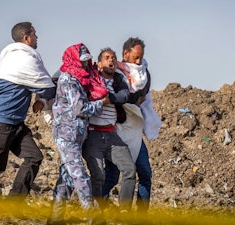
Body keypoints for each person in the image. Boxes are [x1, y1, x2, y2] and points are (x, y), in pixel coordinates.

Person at [0, 22, 56, 223]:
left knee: (34, 157)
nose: (37, 38)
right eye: (35, 34)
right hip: (0, 122)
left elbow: (42, 87)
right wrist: (44, 96)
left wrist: (41, 99)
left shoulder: (17, 57)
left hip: (15, 123)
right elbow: (47, 88)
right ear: (26, 38)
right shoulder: (22, 59)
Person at [48, 43, 109, 225]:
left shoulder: (79, 79)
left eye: (86, 61)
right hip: (67, 135)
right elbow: (80, 108)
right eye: (81, 62)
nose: (84, 65)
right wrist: (102, 104)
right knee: (80, 175)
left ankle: (55, 218)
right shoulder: (68, 80)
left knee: (66, 178)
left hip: (76, 135)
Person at [102, 37, 161, 213]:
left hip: (134, 131)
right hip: (117, 130)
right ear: (125, 54)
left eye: (140, 58)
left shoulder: (143, 75)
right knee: (112, 176)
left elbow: (139, 95)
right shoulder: (116, 74)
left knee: (145, 173)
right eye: (135, 57)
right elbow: (124, 97)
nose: (138, 61)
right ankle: (97, 208)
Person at [82, 48, 136, 211]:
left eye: (113, 58)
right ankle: (95, 212)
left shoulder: (118, 80)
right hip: (93, 135)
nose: (111, 60)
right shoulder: (91, 79)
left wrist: (108, 98)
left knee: (129, 170)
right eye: (106, 58)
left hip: (112, 135)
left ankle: (124, 211)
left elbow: (125, 96)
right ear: (99, 63)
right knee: (98, 176)